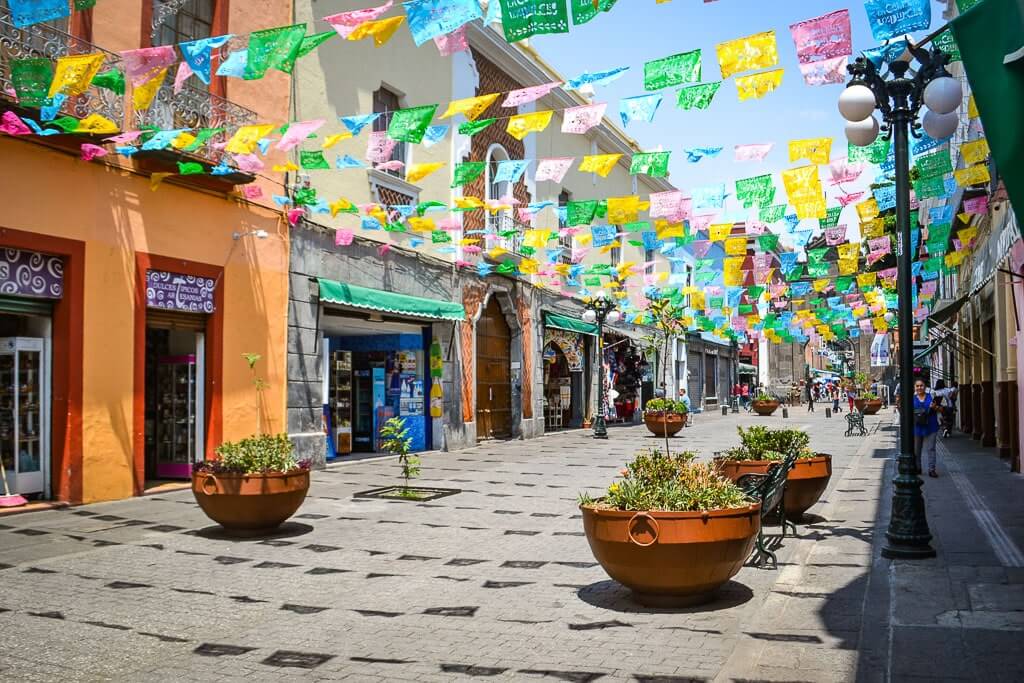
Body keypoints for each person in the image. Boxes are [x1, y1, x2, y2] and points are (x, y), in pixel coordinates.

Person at [912, 379, 942, 477]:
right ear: (914, 387)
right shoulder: (912, 399)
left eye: (921, 385)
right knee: (917, 449)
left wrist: (935, 407)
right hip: (917, 427)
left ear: (925, 387)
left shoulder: (932, 396)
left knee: (931, 448)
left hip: (931, 425)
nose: (919, 388)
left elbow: (942, 409)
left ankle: (931, 469)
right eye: (917, 386)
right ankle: (918, 468)